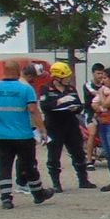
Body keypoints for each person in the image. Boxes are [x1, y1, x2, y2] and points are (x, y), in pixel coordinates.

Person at [0, 59, 54, 209]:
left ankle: (6, 198)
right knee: (29, 165)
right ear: (18, 71)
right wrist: (42, 129)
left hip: (1, 135)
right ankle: (38, 193)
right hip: (22, 134)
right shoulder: (25, 89)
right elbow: (33, 110)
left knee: (3, 166)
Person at [39, 62, 95, 191]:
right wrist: (59, 101)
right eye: (66, 77)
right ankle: (56, 183)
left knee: (79, 153)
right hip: (54, 127)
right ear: (57, 77)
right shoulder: (46, 89)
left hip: (71, 126)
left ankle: (83, 180)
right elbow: (45, 107)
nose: (68, 79)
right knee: (54, 155)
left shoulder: (71, 89)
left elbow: (79, 105)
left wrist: (75, 108)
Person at [82, 63, 106, 171]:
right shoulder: (88, 84)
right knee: (92, 133)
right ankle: (89, 160)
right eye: (98, 73)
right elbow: (95, 93)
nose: (100, 76)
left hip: (105, 112)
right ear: (93, 73)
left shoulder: (106, 84)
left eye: (102, 73)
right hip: (90, 112)